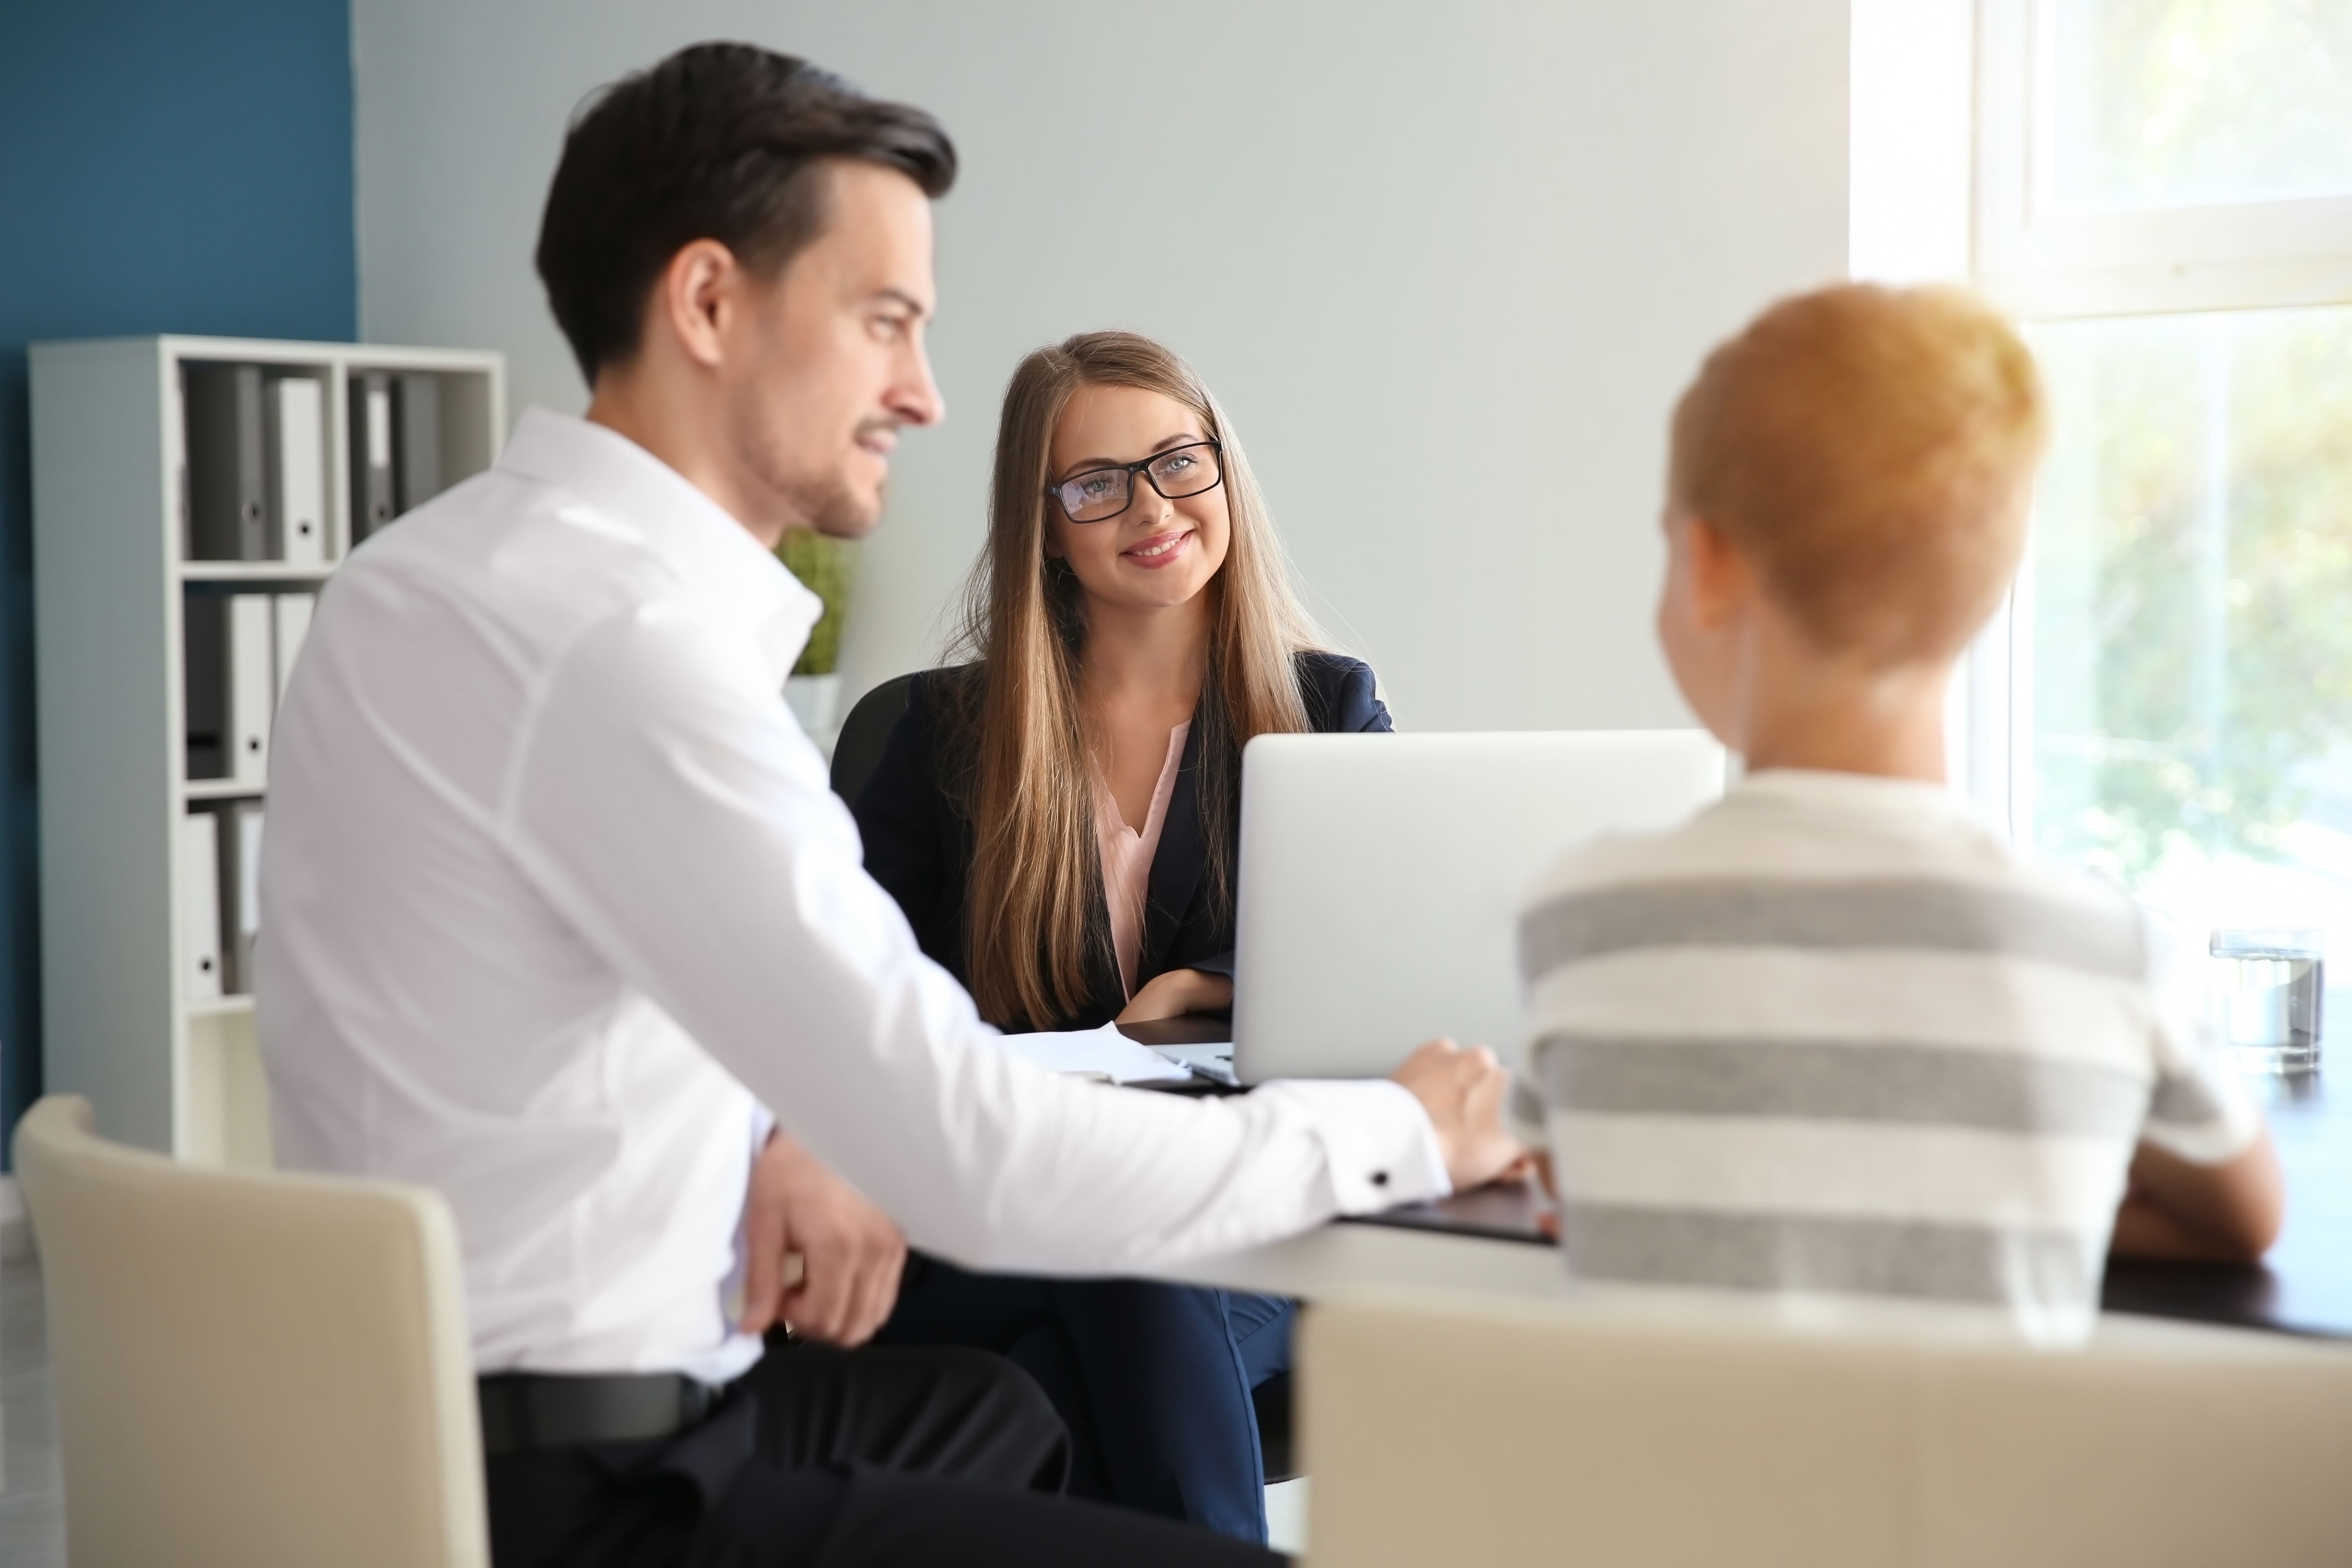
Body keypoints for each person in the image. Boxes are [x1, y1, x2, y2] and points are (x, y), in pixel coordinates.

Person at [256, 43, 1519, 1568]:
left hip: (430, 1406)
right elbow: (967, 1147)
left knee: (1030, 1400)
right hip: (602, 1476)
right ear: (710, 303)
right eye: (884, 324)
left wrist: (783, 1122)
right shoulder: (632, 653)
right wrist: (1396, 1131)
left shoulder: (417, 579)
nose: (920, 395)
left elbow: (595, 1011)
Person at [1511, 281, 2284, 1345]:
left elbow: (1571, 1186)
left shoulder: (1582, 915)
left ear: (1708, 563)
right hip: (1987, 1513)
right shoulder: (2101, 948)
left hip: (1670, 1509)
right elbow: (2245, 1219)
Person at [852, 331, 1389, 1540]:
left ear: (1224, 473)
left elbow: (1379, 972)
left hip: (1245, 1220)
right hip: (994, 1213)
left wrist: (1208, 980)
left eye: (1177, 462)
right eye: (1096, 483)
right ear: (1044, 525)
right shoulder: (942, 733)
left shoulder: (1327, 714)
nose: (1151, 507)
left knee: (1083, 1344)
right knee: (1119, 1280)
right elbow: (851, 993)